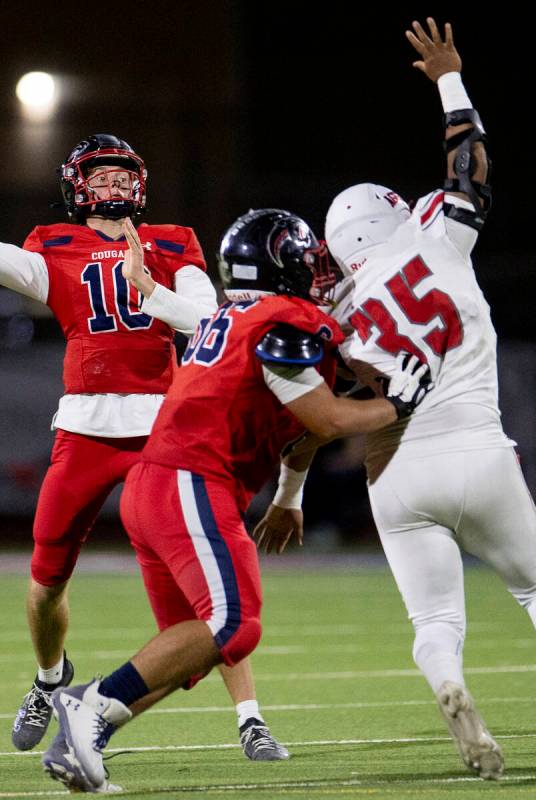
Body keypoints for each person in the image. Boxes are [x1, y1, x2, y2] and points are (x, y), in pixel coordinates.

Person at [40, 207, 433, 793]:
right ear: (284, 265)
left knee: (194, 648)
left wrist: (288, 496)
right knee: (234, 625)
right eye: (307, 260)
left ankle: (86, 737)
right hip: (191, 481)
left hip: (158, 485)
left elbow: (302, 427)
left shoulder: (236, 315)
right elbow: (325, 415)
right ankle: (90, 706)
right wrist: (399, 403)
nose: (318, 271)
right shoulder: (281, 323)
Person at [0, 133, 289, 761]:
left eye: (124, 175)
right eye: (101, 176)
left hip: (166, 426)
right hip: (85, 427)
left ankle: (250, 717)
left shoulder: (174, 240)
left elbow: (205, 323)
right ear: (76, 186)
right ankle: (51, 680)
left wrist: (149, 288)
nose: (115, 186)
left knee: (214, 576)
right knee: (46, 576)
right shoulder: (53, 243)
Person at [261, 18, 528, 781]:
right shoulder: (437, 235)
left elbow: (310, 424)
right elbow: (469, 166)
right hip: (479, 448)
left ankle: (449, 682)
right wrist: (450, 78)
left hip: (394, 476)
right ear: (394, 214)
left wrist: (289, 496)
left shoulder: (336, 314)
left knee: (435, 621)